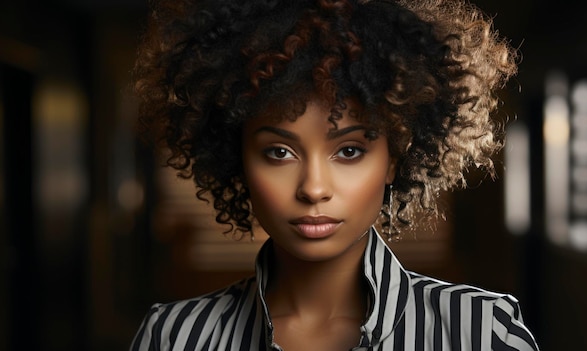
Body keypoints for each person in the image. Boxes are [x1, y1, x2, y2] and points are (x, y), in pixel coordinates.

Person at [130, 0, 539, 350]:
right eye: (279, 152)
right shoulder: (174, 338)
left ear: (394, 158)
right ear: (238, 158)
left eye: (348, 151)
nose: (313, 188)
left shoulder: (482, 332)